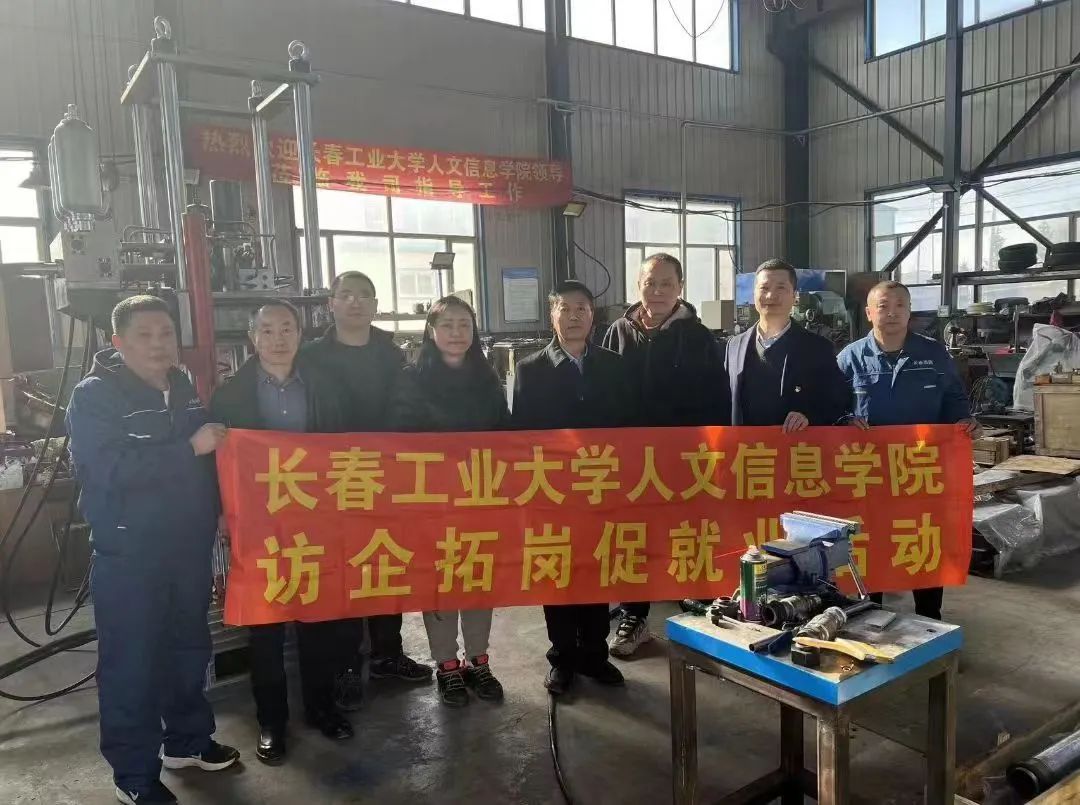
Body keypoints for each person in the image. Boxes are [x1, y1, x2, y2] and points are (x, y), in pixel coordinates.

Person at [66, 295, 239, 805]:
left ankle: (186, 741)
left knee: (188, 647)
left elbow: (208, 462)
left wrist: (221, 510)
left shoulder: (180, 386)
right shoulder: (94, 396)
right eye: (144, 335)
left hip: (187, 544)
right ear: (117, 342)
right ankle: (135, 774)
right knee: (132, 662)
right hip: (130, 550)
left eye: (166, 333)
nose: (158, 344)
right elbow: (110, 470)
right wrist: (188, 449)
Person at [210, 300, 353, 764]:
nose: (278, 338)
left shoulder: (325, 387)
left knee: (318, 621)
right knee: (266, 629)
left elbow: (345, 448)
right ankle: (271, 721)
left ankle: (322, 708)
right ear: (253, 338)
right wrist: (222, 514)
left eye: (287, 328)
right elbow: (216, 464)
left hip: (316, 520)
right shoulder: (230, 396)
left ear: (300, 334)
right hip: (259, 526)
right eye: (267, 330)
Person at [304, 270, 432, 697]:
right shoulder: (311, 357)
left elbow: (406, 406)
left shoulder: (390, 354)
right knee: (342, 569)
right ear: (331, 304)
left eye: (364, 295)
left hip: (384, 478)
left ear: (375, 305)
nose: (355, 302)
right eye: (346, 295)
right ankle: (345, 664)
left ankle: (387, 654)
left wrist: (390, 451)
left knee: (385, 562)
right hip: (332, 481)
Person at [602, 252, 731, 659]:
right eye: (650, 283)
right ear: (637, 285)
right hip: (633, 463)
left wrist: (711, 453)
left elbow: (718, 398)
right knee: (634, 538)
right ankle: (634, 615)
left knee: (688, 533)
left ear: (680, 288)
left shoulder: (697, 336)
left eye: (666, 284)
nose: (657, 291)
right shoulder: (618, 331)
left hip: (685, 461)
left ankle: (699, 610)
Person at [513, 279, 633, 697]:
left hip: (600, 488)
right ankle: (562, 658)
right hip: (554, 492)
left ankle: (595, 655)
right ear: (553, 316)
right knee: (559, 572)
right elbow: (522, 436)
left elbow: (627, 427)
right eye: (565, 308)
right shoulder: (531, 370)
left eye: (582, 308)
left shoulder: (614, 366)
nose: (574, 316)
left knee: (595, 570)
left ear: (592, 315)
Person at [837, 280, 981, 621]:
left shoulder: (933, 354)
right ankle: (869, 615)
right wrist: (843, 420)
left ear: (909, 312)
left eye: (899, 306)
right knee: (870, 542)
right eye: (883, 306)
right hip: (867, 474)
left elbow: (953, 399)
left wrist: (964, 422)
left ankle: (929, 619)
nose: (892, 313)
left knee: (923, 539)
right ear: (869, 312)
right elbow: (831, 405)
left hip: (920, 471)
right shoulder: (850, 357)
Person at [391, 296, 509, 708]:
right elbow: (400, 434)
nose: (457, 333)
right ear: (431, 330)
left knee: (477, 575)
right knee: (439, 579)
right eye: (447, 325)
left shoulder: (487, 376)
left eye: (464, 324)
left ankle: (479, 659)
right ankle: (446, 665)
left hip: (479, 495)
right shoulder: (411, 378)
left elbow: (504, 432)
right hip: (432, 498)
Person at [725, 258, 851, 430]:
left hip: (795, 444)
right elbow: (723, 402)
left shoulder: (817, 348)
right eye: (764, 288)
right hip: (745, 446)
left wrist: (809, 415)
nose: (771, 296)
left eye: (781, 288)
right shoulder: (734, 346)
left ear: (794, 296)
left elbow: (837, 400)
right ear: (754, 294)